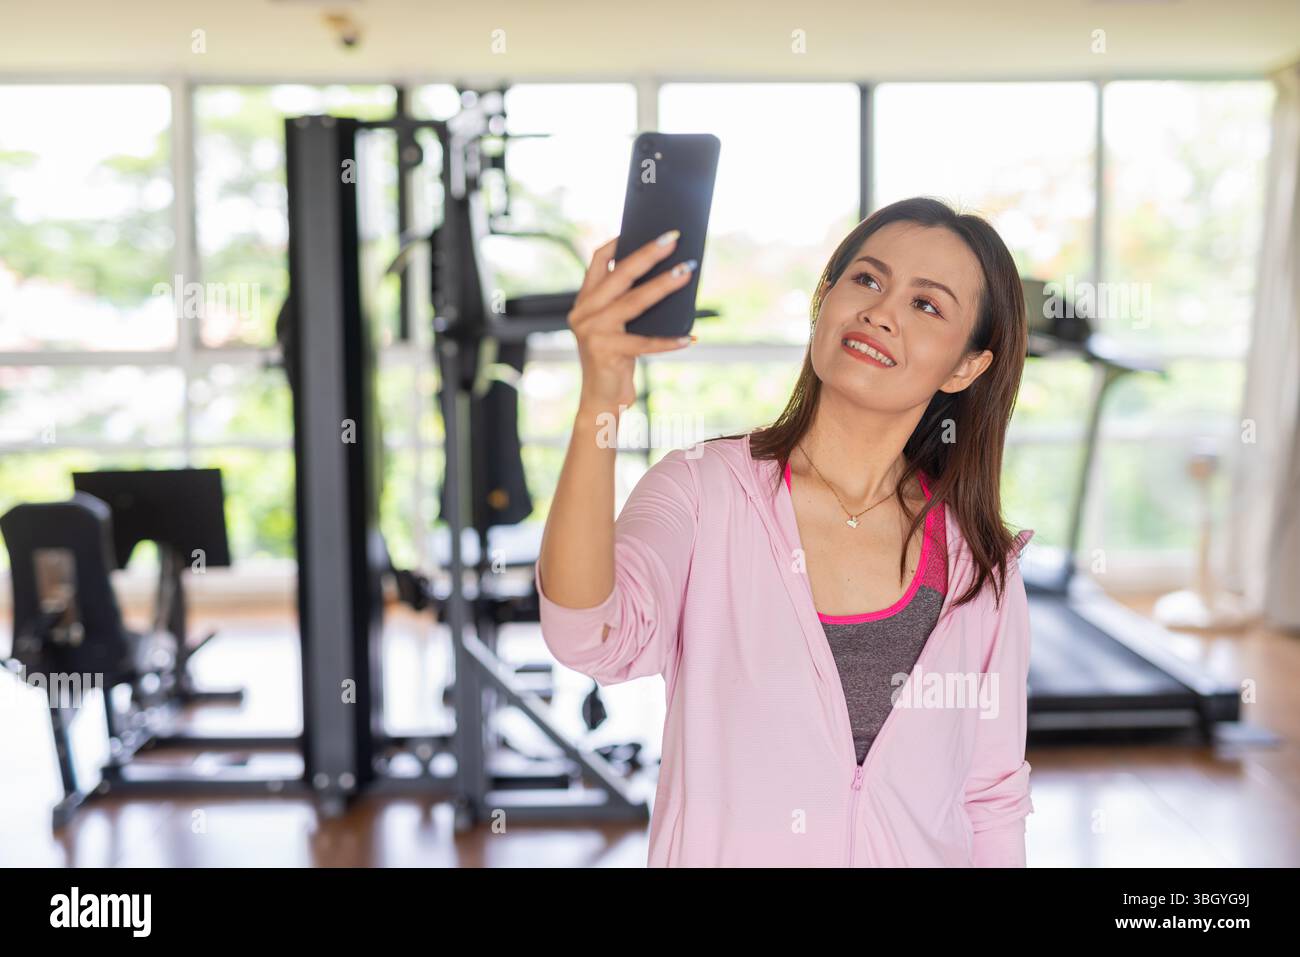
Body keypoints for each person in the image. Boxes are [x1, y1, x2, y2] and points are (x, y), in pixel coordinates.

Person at [535, 196, 1035, 867]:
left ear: (966, 366)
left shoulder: (980, 566)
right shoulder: (703, 490)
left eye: (926, 305)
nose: (880, 311)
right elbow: (586, 635)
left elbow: (991, 797)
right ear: (823, 302)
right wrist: (600, 399)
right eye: (866, 279)